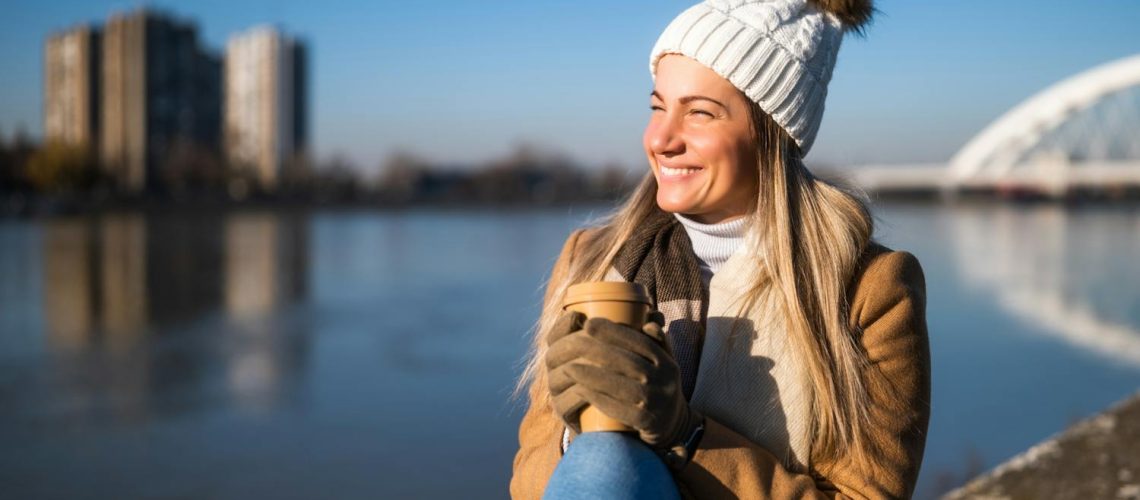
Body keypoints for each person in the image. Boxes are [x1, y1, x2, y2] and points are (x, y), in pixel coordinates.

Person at [511, 0, 931, 498]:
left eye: (700, 114)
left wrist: (684, 432)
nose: (661, 139)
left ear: (771, 134)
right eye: (658, 107)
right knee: (602, 462)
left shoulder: (868, 288)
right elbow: (527, 481)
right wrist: (571, 431)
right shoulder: (594, 259)